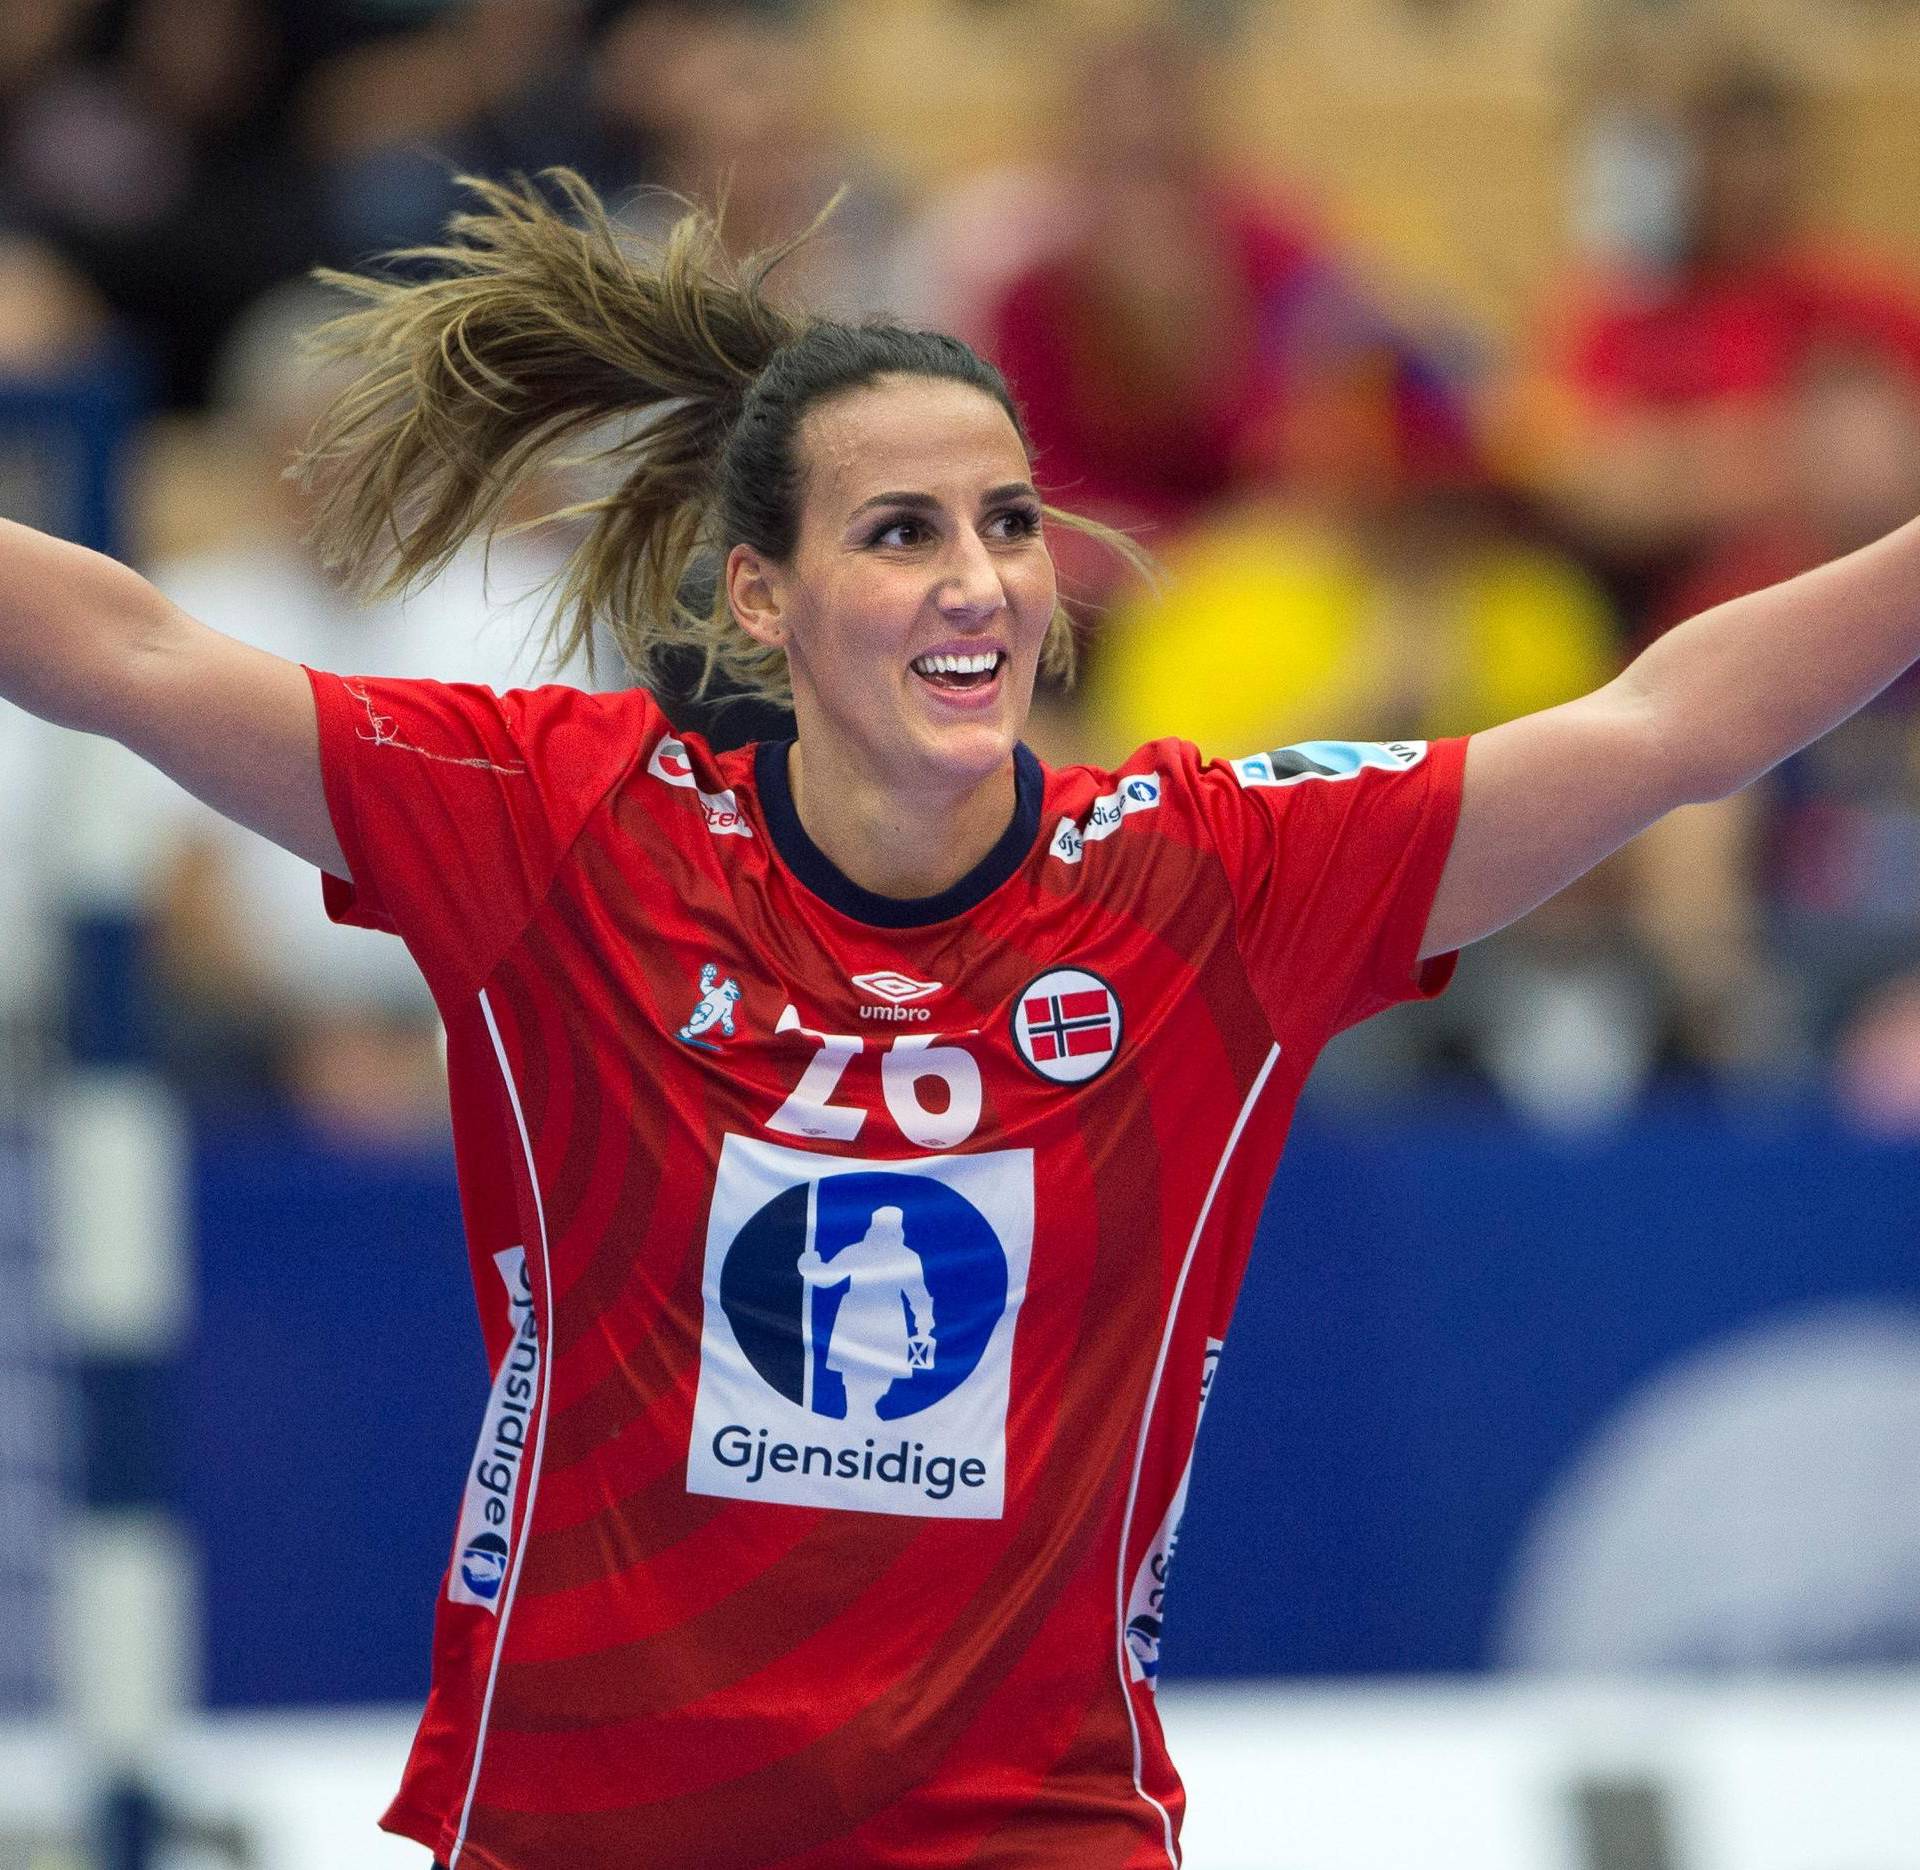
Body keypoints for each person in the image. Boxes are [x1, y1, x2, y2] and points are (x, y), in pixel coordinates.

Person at [5, 167, 1919, 1868]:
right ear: (762, 600)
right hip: (589, 1827)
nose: (979, 578)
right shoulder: (562, 832)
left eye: (1006, 520)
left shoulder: (1207, 882)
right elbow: (131, 650)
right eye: (901, 531)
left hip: (1028, 1832)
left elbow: (1672, 727)